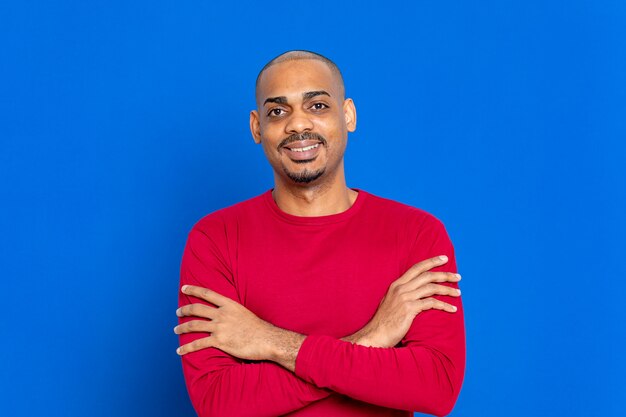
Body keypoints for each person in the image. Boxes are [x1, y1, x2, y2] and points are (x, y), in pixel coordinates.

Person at [174, 50, 465, 417]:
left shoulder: (417, 234)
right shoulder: (214, 239)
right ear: (256, 127)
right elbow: (218, 402)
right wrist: (371, 340)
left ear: (348, 115)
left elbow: (436, 385)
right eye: (277, 111)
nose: (298, 125)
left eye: (317, 106)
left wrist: (271, 343)